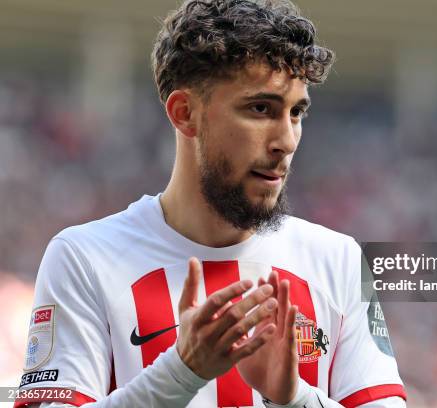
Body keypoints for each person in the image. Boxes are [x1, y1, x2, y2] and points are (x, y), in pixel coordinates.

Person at [15, 0, 407, 407]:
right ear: (185, 114)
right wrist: (182, 372)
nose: (286, 141)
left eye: (296, 113)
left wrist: (294, 399)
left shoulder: (338, 261)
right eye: (260, 109)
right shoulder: (83, 258)